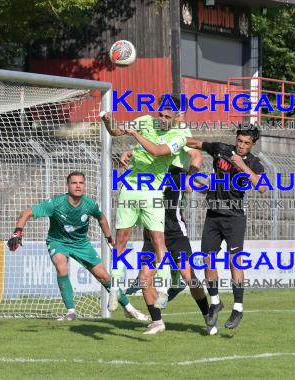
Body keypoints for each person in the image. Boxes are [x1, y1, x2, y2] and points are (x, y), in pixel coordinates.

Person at [6, 171, 148, 321]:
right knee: (61, 267)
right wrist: (17, 232)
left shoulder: (90, 204)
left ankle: (129, 308)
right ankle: (71, 312)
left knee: (104, 276)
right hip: (58, 241)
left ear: (84, 186)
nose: (78, 186)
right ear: (67, 186)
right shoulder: (56, 203)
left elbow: (102, 219)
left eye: (81, 183)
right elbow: (26, 213)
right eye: (74, 183)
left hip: (81, 244)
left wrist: (109, 238)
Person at [120, 115, 215, 334]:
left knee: (189, 276)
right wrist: (128, 153)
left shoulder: (176, 170)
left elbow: (197, 155)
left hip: (174, 230)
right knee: (144, 278)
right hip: (151, 233)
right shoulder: (143, 169)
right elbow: (140, 152)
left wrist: (194, 179)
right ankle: (157, 321)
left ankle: (208, 315)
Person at [101, 94, 189, 334]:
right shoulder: (145, 120)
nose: (162, 118)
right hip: (130, 188)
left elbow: (159, 151)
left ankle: (163, 288)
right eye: (160, 113)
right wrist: (108, 122)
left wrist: (135, 136)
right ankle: (115, 289)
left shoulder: (179, 135)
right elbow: (116, 132)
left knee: (158, 240)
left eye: (167, 116)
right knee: (121, 239)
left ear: (177, 117)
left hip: (152, 193)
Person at [185, 125, 267, 331]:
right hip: (213, 215)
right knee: (207, 260)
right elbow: (196, 143)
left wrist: (242, 166)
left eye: (246, 143)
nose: (241, 146)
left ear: (253, 145)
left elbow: (263, 186)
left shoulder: (254, 163)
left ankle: (238, 308)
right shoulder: (221, 149)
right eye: (240, 141)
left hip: (235, 217)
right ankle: (215, 303)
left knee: (234, 261)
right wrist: (172, 140)